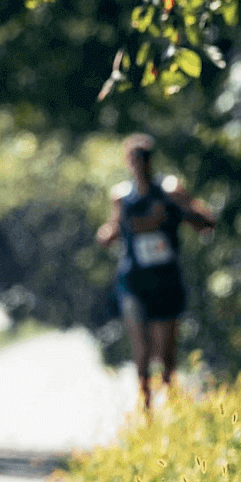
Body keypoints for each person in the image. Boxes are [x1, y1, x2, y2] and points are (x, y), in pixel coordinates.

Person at [96, 133, 215, 412]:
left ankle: (171, 403)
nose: (139, 166)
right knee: (142, 346)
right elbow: (109, 232)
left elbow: (206, 221)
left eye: (144, 160)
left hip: (166, 280)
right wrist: (107, 234)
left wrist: (178, 213)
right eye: (134, 161)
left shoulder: (171, 189)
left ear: (151, 161)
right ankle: (146, 408)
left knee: (166, 350)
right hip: (134, 280)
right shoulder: (121, 197)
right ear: (128, 163)